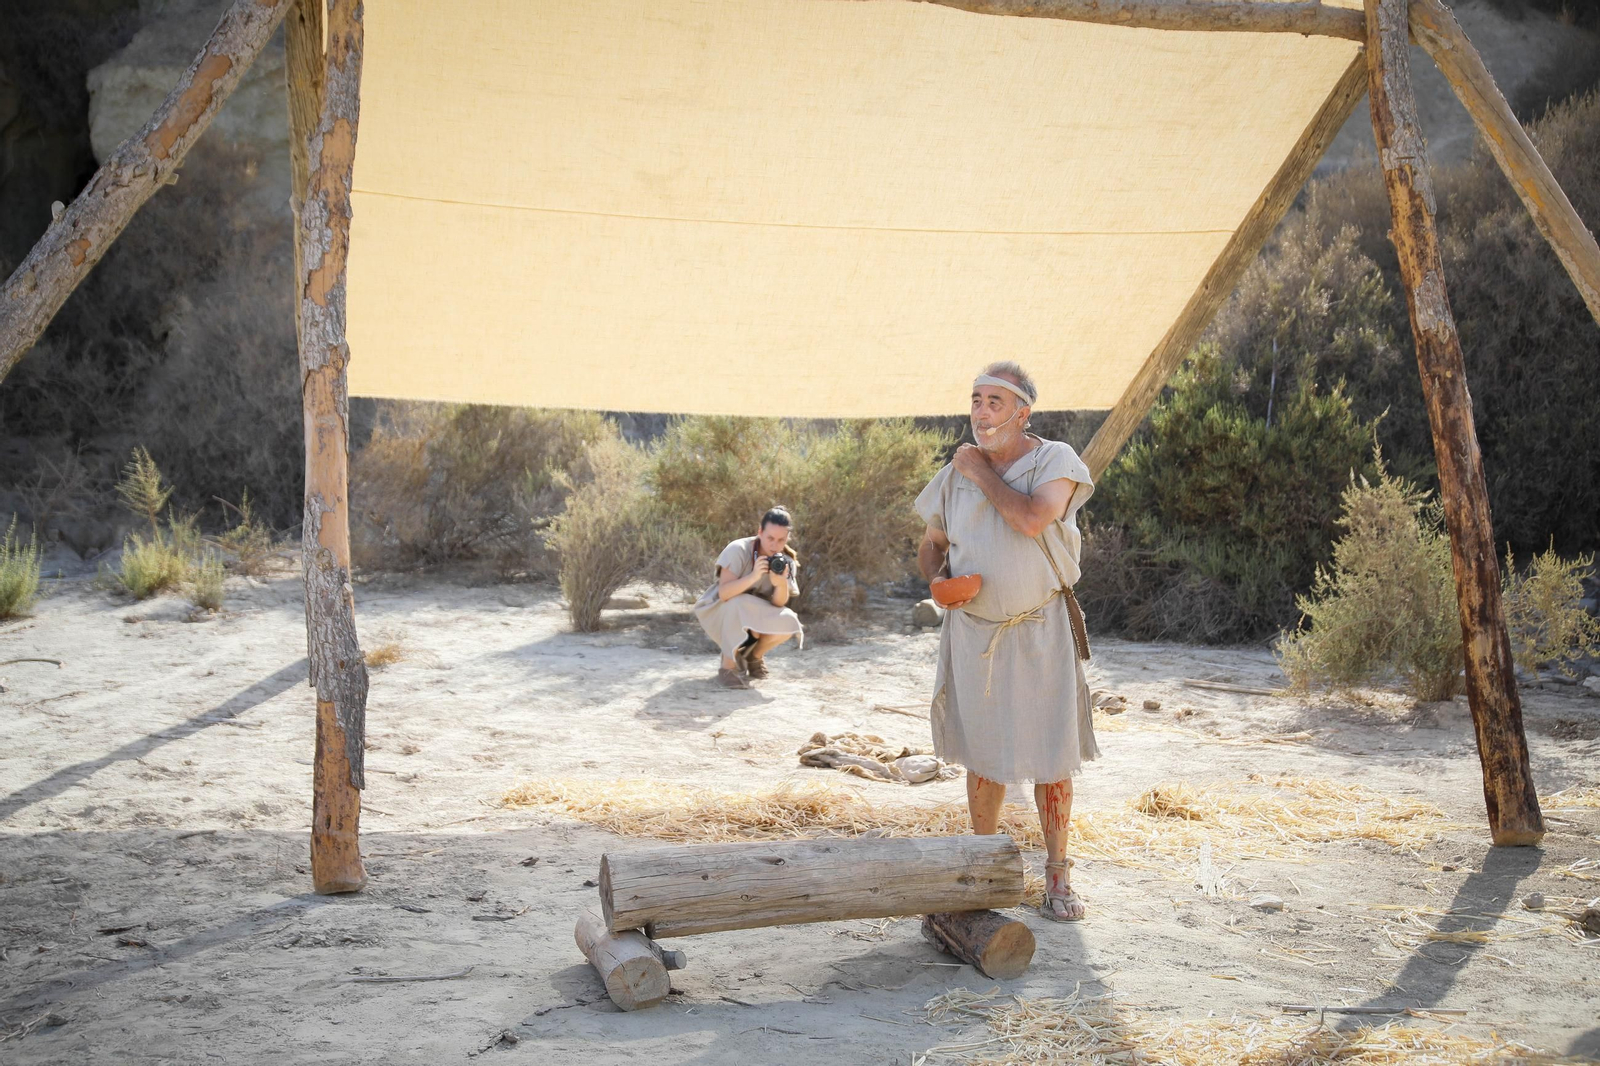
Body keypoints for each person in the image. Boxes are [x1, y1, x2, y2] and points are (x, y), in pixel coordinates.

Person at [913, 361, 1098, 922]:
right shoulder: (952, 478)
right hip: (973, 634)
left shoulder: (1054, 460)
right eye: (975, 400)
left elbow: (1029, 520)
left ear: (1024, 412)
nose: (982, 411)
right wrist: (936, 580)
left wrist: (977, 470)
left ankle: (1058, 873)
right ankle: (983, 867)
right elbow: (932, 542)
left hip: (1039, 629)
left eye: (996, 401)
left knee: (1052, 753)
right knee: (984, 755)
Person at [693, 506, 804, 689]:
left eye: (780, 540)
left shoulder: (786, 562)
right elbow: (725, 593)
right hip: (721, 610)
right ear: (759, 532)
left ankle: (754, 657)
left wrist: (781, 582)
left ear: (787, 539)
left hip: (753, 614)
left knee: (789, 620)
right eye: (769, 538)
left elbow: (778, 604)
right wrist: (753, 576)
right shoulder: (738, 549)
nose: (774, 545)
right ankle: (727, 668)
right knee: (738, 603)